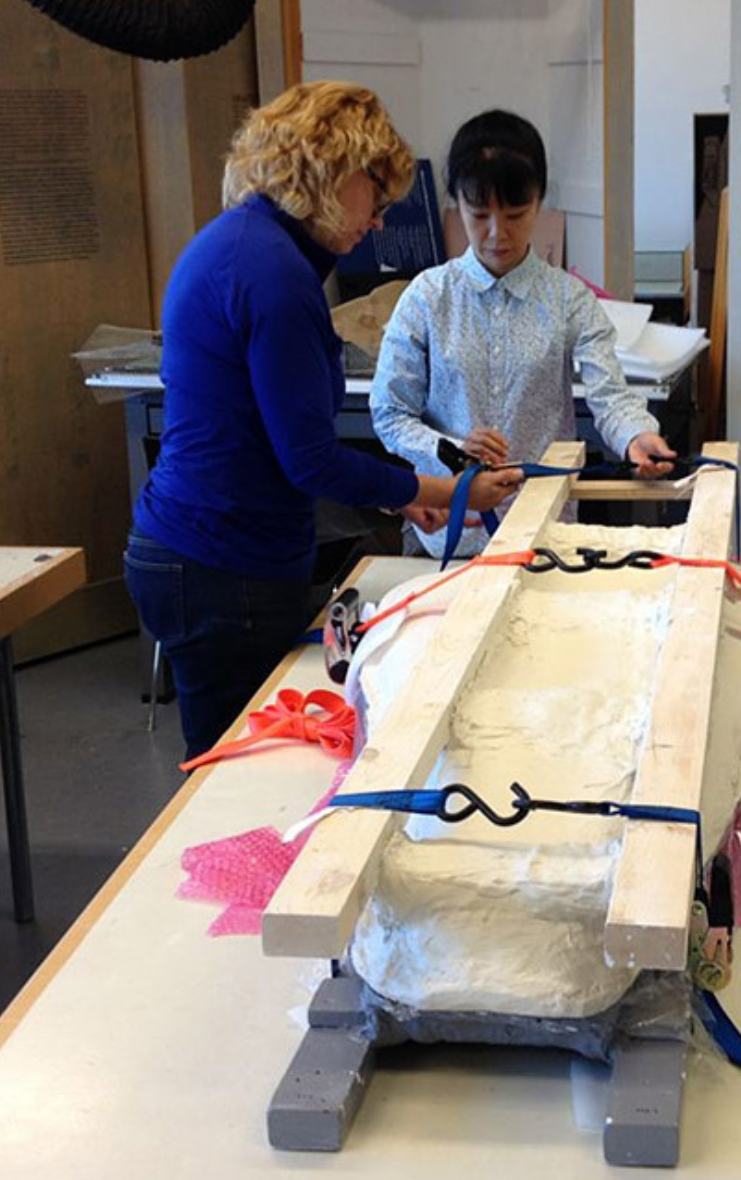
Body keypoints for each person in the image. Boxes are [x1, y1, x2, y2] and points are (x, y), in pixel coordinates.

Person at [124, 82, 522, 761]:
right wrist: (447, 492)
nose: (376, 222)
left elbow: (288, 441)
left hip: (204, 553)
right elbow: (308, 458)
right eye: (375, 194)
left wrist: (398, 490)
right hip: (221, 565)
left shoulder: (244, 244)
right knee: (239, 775)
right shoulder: (274, 273)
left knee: (244, 760)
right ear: (330, 171)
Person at [369, 108, 675, 561]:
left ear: (540, 202)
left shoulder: (569, 298)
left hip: (543, 534)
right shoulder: (428, 297)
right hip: (450, 534)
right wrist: (453, 450)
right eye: (479, 214)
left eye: (515, 213)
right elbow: (390, 412)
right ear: (456, 202)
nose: (498, 234)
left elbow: (611, 396)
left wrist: (636, 436)